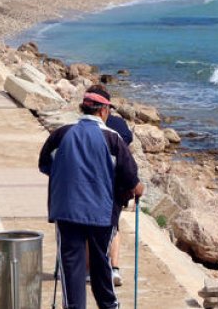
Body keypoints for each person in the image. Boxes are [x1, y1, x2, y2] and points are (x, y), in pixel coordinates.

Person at [40, 92, 144, 309]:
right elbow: (130, 178)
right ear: (103, 111)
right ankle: (109, 306)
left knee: (71, 264)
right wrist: (137, 188)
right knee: (100, 264)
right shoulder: (113, 138)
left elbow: (45, 164)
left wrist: (69, 177)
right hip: (101, 212)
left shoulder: (61, 134)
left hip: (66, 209)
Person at [84, 84, 132, 286]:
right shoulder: (118, 125)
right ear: (105, 108)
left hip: (89, 183)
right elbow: (127, 148)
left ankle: (89, 269)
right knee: (113, 226)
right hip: (114, 185)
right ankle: (114, 268)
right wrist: (133, 186)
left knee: (88, 226)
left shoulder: (81, 127)